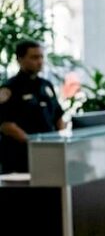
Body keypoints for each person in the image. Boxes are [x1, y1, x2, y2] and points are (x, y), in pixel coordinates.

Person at [0, 40, 66, 173]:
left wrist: (61, 138)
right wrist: (34, 144)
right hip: (20, 158)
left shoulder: (46, 85)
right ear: (20, 59)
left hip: (49, 154)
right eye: (34, 57)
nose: (40, 61)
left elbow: (58, 117)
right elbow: (6, 125)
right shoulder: (10, 88)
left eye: (41, 57)